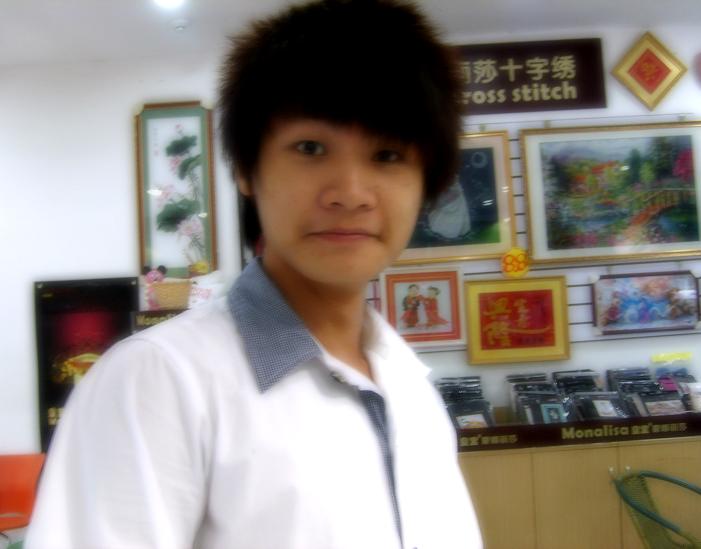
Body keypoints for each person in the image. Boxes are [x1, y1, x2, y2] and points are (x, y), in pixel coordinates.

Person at [26, 1, 482, 548]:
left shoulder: (411, 391)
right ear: (246, 169)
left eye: (387, 155)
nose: (351, 193)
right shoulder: (157, 383)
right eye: (311, 148)